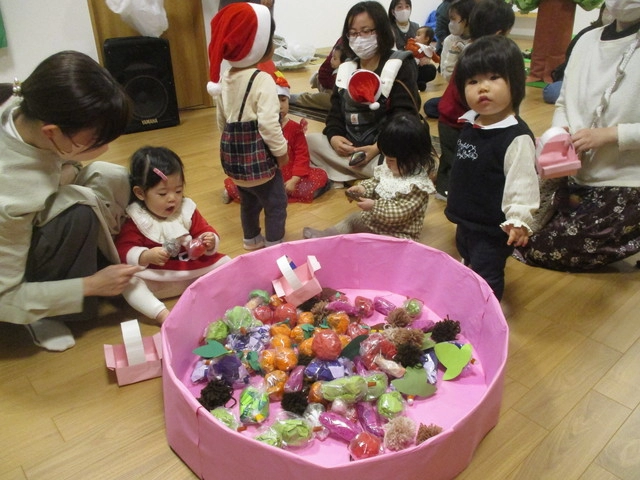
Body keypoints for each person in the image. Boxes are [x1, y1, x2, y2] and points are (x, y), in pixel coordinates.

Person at [0, 51, 142, 351]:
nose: (105, 148)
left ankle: (105, 257)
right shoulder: (11, 193)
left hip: (30, 207)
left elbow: (59, 166)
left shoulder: (26, 106)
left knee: (111, 175)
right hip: (8, 287)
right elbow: (4, 297)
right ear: (51, 133)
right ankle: (43, 313)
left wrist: (66, 170)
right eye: (96, 141)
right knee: (77, 209)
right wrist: (90, 286)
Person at [515, 0, 640, 271]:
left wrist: (611, 135)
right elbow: (564, 102)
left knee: (541, 248)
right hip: (573, 172)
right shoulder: (586, 40)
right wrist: (561, 133)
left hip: (626, 180)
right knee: (509, 221)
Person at [445, 35, 539, 301]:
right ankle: (470, 293)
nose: (482, 88)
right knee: (468, 256)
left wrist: (518, 219)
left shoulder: (515, 137)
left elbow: (522, 183)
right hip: (467, 218)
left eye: (494, 77)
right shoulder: (470, 123)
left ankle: (486, 311)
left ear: (515, 82)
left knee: (488, 272)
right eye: (473, 81)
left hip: (492, 227)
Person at [306, 1, 421, 187]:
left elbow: (405, 117)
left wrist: (378, 147)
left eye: (366, 31)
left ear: (381, 31)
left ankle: (347, 174)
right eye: (353, 33)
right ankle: (366, 176)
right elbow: (334, 114)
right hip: (350, 149)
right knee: (309, 142)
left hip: (384, 150)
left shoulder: (399, 64)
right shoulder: (346, 67)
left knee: (403, 160)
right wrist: (334, 137)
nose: (359, 38)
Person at [115, 147, 231, 323]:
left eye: (178, 191)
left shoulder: (185, 209)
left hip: (190, 269)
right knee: (127, 282)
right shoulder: (137, 218)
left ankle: (216, 293)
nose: (173, 199)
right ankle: (162, 314)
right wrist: (146, 255)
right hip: (157, 278)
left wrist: (209, 239)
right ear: (140, 193)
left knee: (227, 263)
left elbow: (203, 229)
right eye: (163, 193)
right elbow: (124, 249)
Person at [207, 3, 289, 251]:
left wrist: (232, 148)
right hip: (259, 162)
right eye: (270, 39)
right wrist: (281, 152)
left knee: (249, 202)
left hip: (234, 160)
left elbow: (221, 120)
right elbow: (268, 125)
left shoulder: (225, 77)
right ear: (256, 44)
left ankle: (251, 239)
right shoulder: (262, 79)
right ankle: (274, 244)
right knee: (276, 203)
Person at [302, 113, 436, 241]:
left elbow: (399, 212)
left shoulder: (417, 185)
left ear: (412, 159)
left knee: (378, 246)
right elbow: (376, 181)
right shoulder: (391, 169)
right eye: (386, 158)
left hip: (398, 233)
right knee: (353, 219)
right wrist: (363, 188)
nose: (387, 163)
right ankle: (327, 235)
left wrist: (374, 206)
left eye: (391, 160)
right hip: (376, 222)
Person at [432, 0, 515, 200]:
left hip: (452, 114)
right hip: (456, 118)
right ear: (499, 33)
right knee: (456, 159)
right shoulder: (481, 56)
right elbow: (468, 94)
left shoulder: (472, 49)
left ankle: (448, 187)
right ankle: (447, 190)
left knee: (454, 157)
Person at [223, 72, 329, 203]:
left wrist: (295, 179)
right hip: (264, 174)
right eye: (274, 101)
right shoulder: (258, 127)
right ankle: (236, 191)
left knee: (319, 177)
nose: (279, 106)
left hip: (290, 174)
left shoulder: (295, 128)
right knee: (246, 186)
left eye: (283, 100)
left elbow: (302, 155)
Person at [542, 5, 609, 104]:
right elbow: (570, 59)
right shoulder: (588, 34)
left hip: (607, 80)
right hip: (580, 77)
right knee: (552, 92)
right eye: (608, 11)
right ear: (601, 13)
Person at [422, 0, 474, 119]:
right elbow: (448, 76)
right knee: (430, 106)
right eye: (450, 19)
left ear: (467, 20)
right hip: (457, 92)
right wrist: (453, 53)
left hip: (474, 91)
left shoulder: (478, 40)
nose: (450, 24)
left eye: (454, 19)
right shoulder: (449, 40)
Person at [289, 40, 345, 112]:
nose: (331, 60)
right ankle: (298, 98)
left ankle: (299, 98)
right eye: (332, 57)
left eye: (334, 58)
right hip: (328, 85)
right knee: (332, 99)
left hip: (340, 94)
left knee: (335, 101)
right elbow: (324, 73)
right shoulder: (342, 43)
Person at [406, 26, 440, 91]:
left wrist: (440, 60)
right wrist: (411, 43)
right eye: (416, 35)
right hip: (410, 68)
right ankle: (411, 83)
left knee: (431, 69)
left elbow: (435, 58)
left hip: (420, 69)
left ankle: (419, 82)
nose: (415, 37)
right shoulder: (413, 44)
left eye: (418, 35)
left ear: (426, 38)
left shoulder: (429, 49)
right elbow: (410, 49)